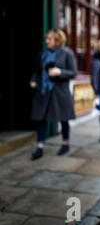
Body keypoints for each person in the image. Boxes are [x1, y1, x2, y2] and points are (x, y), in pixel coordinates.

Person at [29, 29, 77, 160]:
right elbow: (37, 71)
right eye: (47, 39)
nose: (47, 41)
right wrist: (33, 80)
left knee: (63, 118)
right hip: (44, 91)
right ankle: (39, 147)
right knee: (41, 119)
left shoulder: (67, 53)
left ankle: (65, 143)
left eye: (49, 39)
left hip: (59, 91)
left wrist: (60, 72)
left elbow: (73, 72)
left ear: (57, 40)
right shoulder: (42, 54)